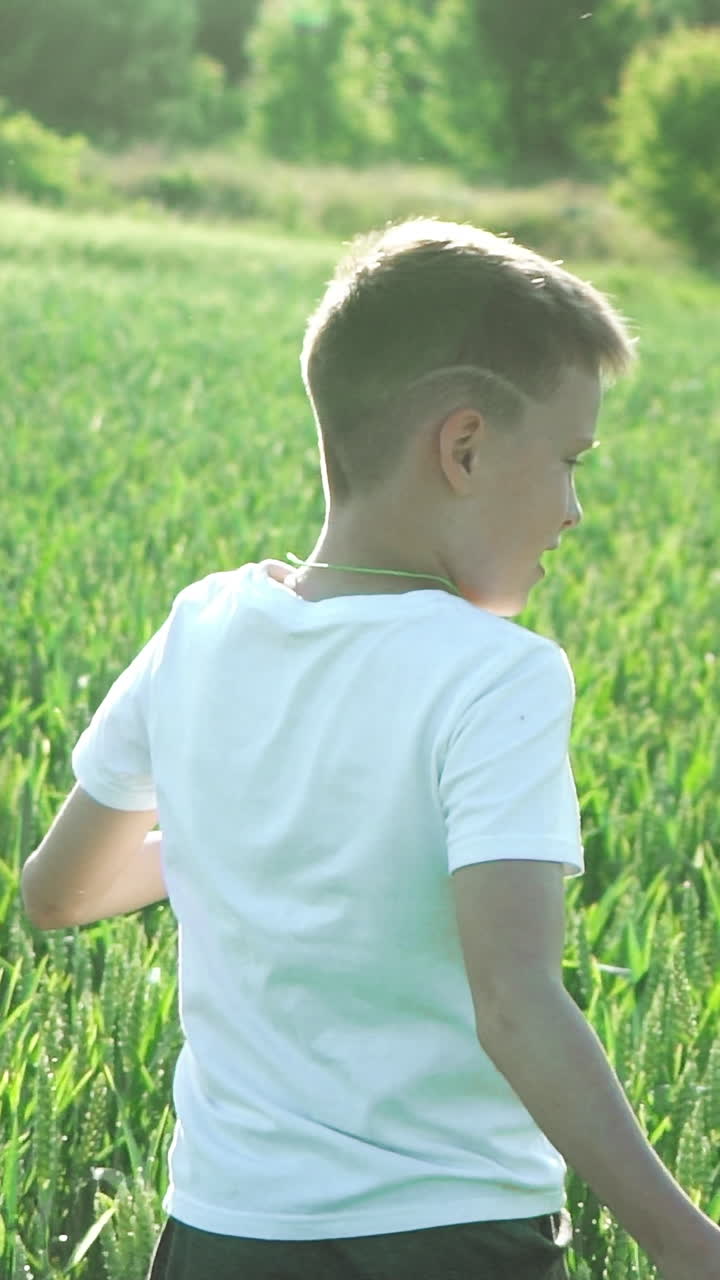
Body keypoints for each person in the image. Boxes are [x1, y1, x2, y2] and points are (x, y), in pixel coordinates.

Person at [26, 217, 720, 1280]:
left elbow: (57, 892)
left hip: (222, 1234)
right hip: (450, 1235)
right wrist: (685, 1240)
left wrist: (256, 827)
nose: (575, 510)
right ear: (467, 446)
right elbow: (516, 998)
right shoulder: (499, 673)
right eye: (571, 461)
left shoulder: (199, 628)